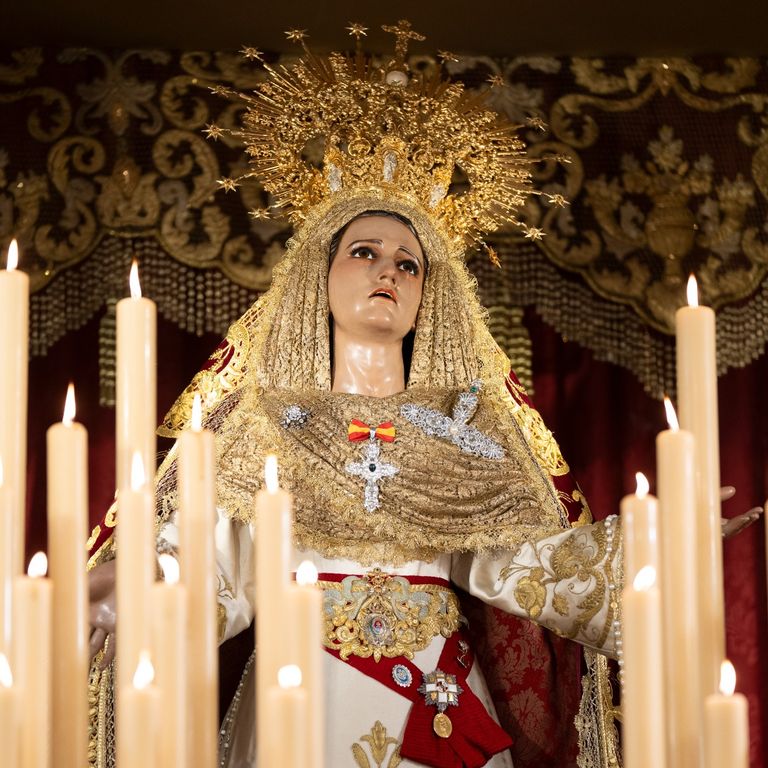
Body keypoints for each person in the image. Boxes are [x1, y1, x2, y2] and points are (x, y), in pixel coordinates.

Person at [86, 23, 626, 768]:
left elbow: (528, 566)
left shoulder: (465, 431)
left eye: (410, 263)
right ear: (320, 275)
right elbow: (217, 573)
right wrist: (140, 584)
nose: (388, 272)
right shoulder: (262, 426)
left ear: (429, 295)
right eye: (364, 251)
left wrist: (652, 553)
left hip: (441, 696)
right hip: (303, 695)